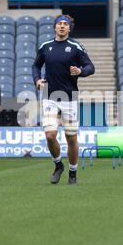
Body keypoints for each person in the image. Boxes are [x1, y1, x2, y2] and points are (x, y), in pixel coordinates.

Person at [32, 14, 95, 185]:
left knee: (71, 137)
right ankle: (58, 165)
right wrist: (37, 79)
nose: (61, 26)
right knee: (50, 135)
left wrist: (81, 71)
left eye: (64, 24)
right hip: (49, 96)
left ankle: (73, 172)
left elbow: (90, 67)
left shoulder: (75, 47)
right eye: (59, 23)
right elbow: (36, 66)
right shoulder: (46, 46)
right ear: (54, 27)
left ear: (69, 28)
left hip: (70, 97)